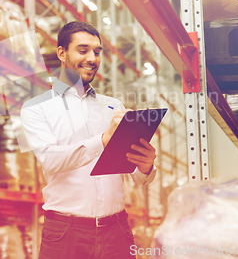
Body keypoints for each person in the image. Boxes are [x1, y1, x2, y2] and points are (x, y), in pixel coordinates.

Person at [20, 21, 157, 259]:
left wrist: (145, 165)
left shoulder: (113, 107)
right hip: (65, 232)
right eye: (83, 50)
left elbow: (137, 176)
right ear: (62, 53)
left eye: (96, 51)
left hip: (116, 229)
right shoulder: (36, 107)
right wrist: (103, 140)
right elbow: (50, 160)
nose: (92, 58)